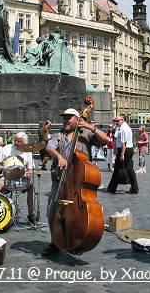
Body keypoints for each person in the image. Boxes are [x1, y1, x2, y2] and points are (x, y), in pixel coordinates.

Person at [41, 108, 109, 256]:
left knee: (80, 212)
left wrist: (91, 127)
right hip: (60, 180)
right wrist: (59, 157)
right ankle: (55, 242)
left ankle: (78, 238)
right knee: (53, 211)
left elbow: (105, 140)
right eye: (64, 118)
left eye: (68, 118)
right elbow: (49, 148)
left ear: (77, 119)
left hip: (78, 181)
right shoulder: (58, 135)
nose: (65, 121)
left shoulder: (86, 133)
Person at [0, 132, 36, 223]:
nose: (16, 143)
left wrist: (28, 173)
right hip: (6, 176)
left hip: (22, 177)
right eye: (16, 141)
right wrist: (3, 169)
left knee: (31, 187)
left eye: (19, 142)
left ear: (24, 143)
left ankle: (31, 214)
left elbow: (30, 168)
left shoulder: (27, 152)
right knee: (1, 188)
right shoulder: (6, 149)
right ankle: (0, 213)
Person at [105, 114, 139, 194]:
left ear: (122, 120)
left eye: (117, 121)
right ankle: (134, 188)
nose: (116, 122)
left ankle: (111, 188)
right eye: (115, 121)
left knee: (117, 168)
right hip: (127, 149)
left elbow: (124, 143)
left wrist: (122, 154)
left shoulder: (124, 129)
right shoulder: (121, 127)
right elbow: (114, 131)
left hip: (124, 150)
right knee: (130, 169)